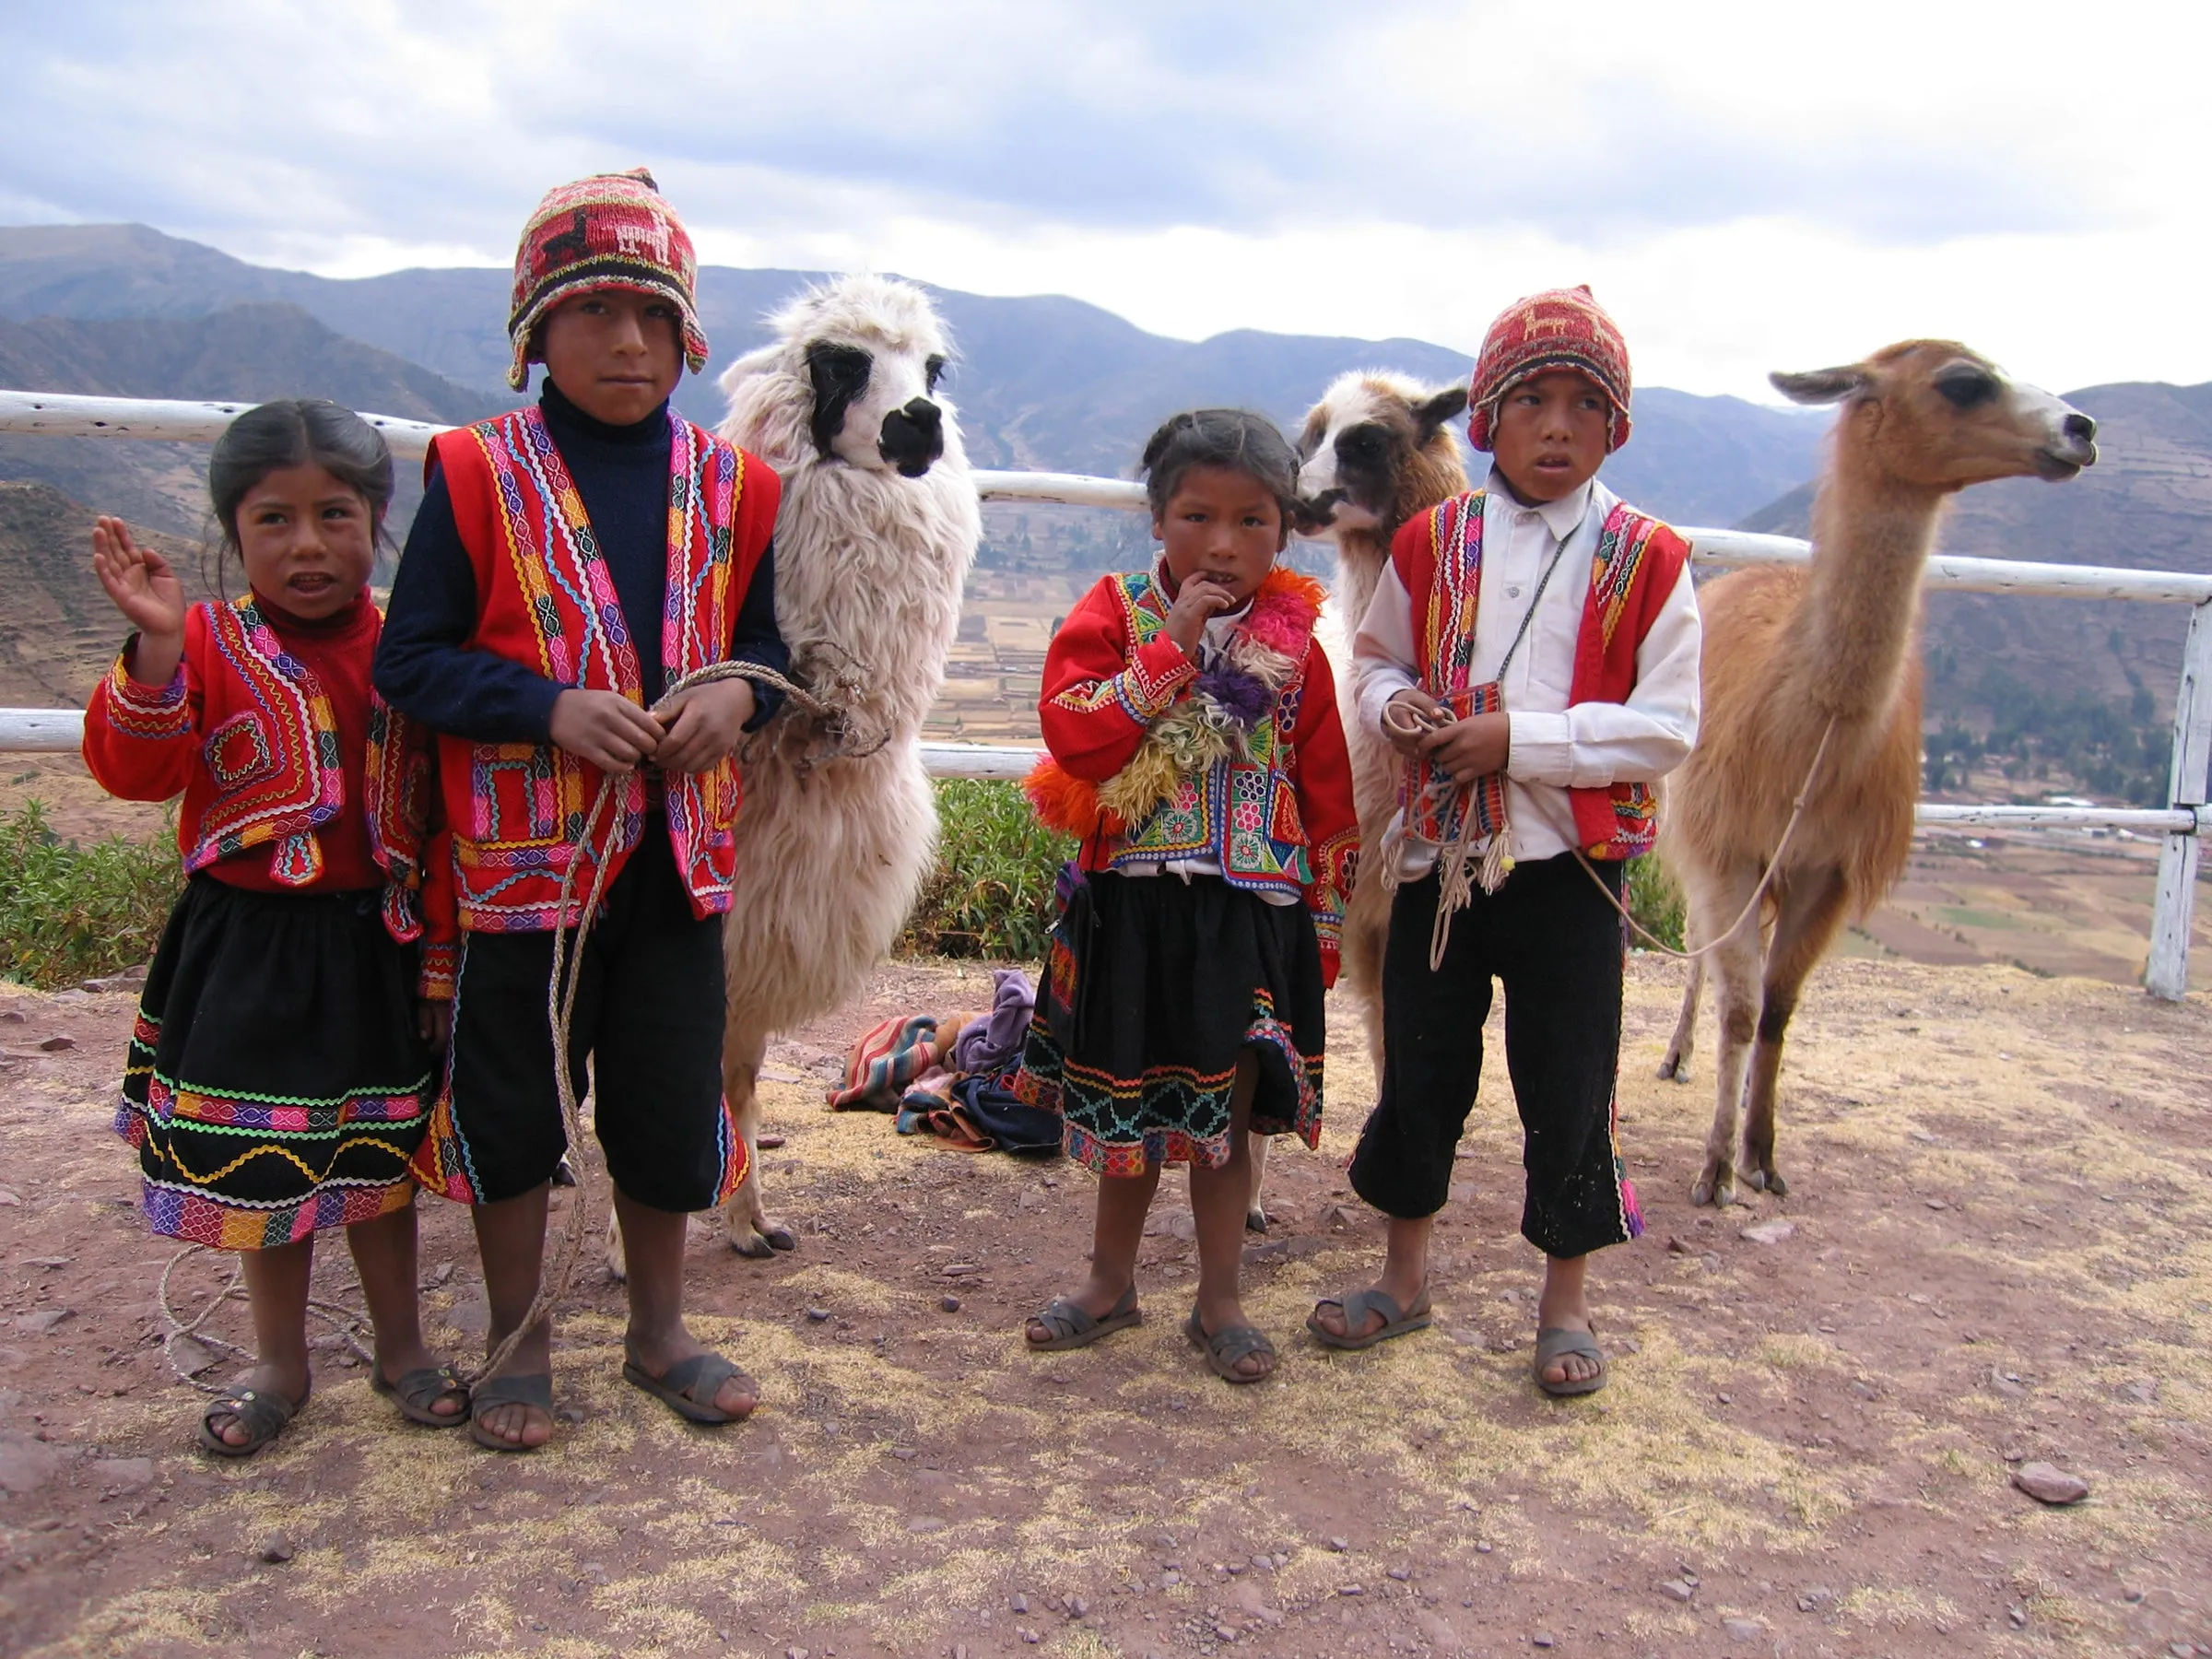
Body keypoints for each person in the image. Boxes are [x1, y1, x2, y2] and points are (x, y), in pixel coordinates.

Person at [373, 168, 788, 1451]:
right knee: (513, 1106)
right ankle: (517, 1342)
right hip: (523, 874)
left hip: (676, 867)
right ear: (533, 331)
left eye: (654, 318)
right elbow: (413, 659)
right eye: (596, 312)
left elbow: (766, 656)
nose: (627, 342)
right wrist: (547, 706)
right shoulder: (473, 472)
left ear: (688, 336)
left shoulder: (737, 488)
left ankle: (659, 1332)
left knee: (668, 1094)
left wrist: (735, 696)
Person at [1309, 286, 1702, 1395]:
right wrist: (1395, 710)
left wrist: (1519, 740)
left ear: (1615, 425)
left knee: (1567, 1080)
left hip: (1571, 873)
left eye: (1586, 402)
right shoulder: (1433, 544)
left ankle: (1565, 1306)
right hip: (1442, 862)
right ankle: (1403, 1275)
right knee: (1422, 1068)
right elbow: (1377, 656)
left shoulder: (1651, 560)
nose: (1559, 425)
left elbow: (1669, 725)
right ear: (1487, 417)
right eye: (1532, 399)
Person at [84, 399, 461, 1455]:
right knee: (267, 1161)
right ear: (232, 531)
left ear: (379, 520)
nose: (307, 545)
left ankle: (404, 1350)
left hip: (379, 943)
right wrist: (156, 654)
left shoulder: (408, 651)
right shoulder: (202, 642)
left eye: (335, 515)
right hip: (247, 947)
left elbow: (436, 821)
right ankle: (278, 1366)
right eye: (273, 520)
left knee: (379, 1159)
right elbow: (133, 771)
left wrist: (438, 964)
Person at [1014, 408, 1358, 1383]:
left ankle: (1221, 1302)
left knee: (1225, 1116)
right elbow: (1079, 737)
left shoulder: (1299, 651)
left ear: (1286, 528)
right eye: (1198, 516)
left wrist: (1321, 930)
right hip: (1132, 908)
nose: (1223, 543)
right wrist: (1168, 650)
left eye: (1253, 520)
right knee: (1128, 1108)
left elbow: (1327, 796)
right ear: (1157, 520)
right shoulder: (1112, 614)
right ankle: (1109, 1282)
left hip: (1249, 915)